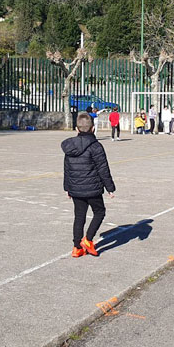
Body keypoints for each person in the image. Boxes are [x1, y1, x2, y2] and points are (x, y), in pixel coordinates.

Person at [62, 111, 116, 258]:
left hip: (76, 189)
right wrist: (110, 188)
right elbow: (103, 168)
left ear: (76, 129)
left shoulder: (70, 147)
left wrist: (67, 187)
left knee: (79, 217)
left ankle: (76, 247)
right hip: (93, 189)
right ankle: (88, 240)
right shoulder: (96, 146)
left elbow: (67, 169)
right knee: (99, 212)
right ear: (93, 129)